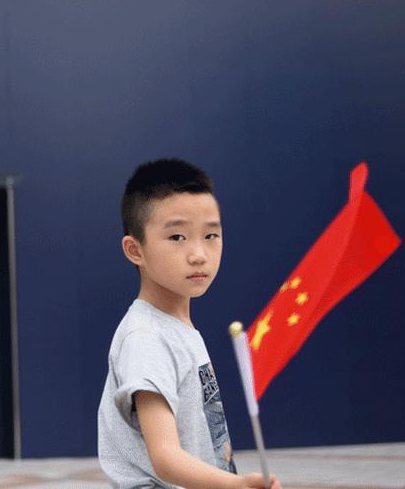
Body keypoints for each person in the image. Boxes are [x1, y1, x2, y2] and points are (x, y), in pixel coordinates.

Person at [97, 159, 283, 489]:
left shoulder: (176, 327)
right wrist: (237, 486)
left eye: (211, 235)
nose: (198, 253)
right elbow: (165, 456)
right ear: (134, 249)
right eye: (178, 237)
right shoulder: (145, 337)